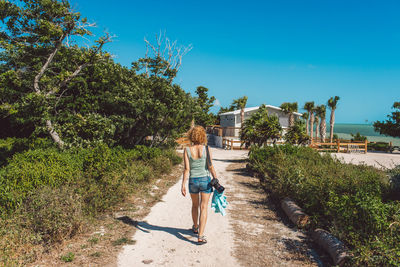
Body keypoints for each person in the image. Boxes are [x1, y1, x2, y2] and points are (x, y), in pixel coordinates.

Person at [181, 126, 218, 244]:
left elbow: (187, 169)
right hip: (205, 180)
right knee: (203, 207)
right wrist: (216, 179)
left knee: (194, 205)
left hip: (193, 181)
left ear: (191, 135)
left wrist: (183, 184)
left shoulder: (187, 150)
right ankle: (200, 236)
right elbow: (210, 166)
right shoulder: (206, 149)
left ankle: (195, 227)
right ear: (203, 136)